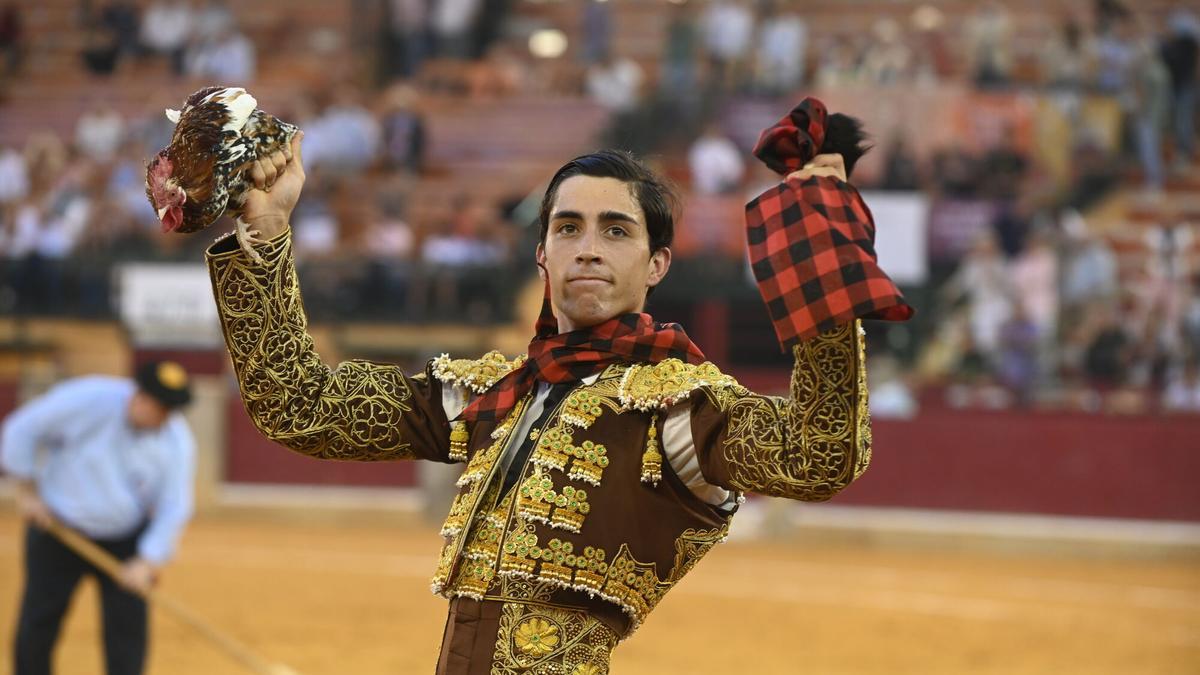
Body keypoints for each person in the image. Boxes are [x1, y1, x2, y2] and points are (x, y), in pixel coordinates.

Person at [208, 115, 896, 672]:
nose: (587, 248)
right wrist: (265, 231)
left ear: (657, 263)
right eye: (568, 227)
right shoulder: (496, 394)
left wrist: (825, 284)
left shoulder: (679, 408)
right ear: (541, 253)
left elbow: (819, 452)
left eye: (616, 230)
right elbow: (298, 405)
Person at [2, 361, 196, 675]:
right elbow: (20, 429)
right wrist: (27, 491)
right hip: (58, 530)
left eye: (170, 412)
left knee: (127, 636)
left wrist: (147, 562)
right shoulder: (87, 399)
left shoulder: (177, 441)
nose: (165, 419)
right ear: (140, 397)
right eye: (160, 409)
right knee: (38, 624)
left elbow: (174, 505)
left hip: (124, 540)